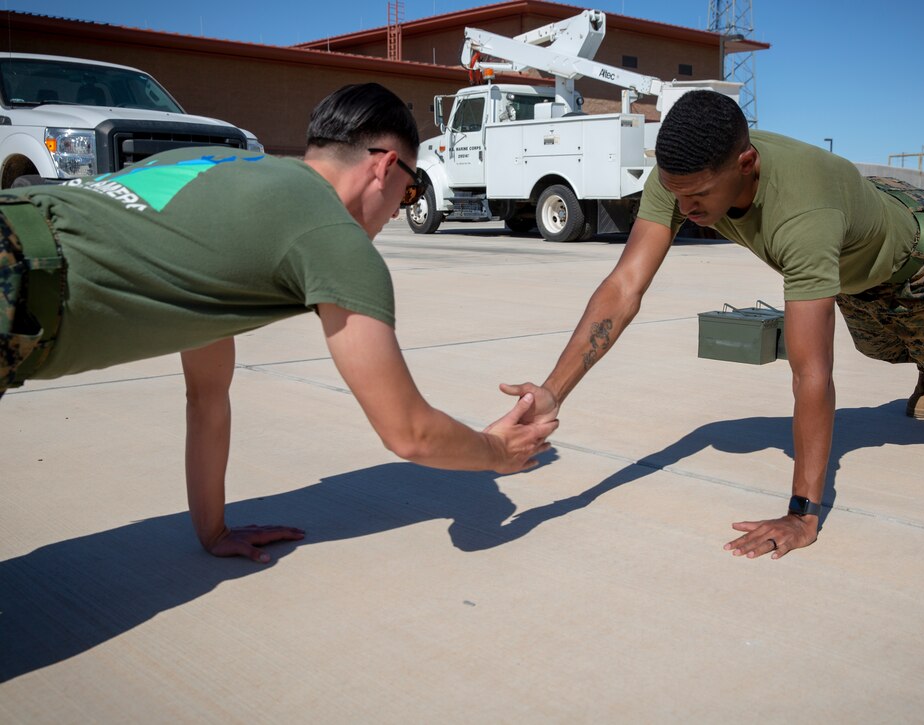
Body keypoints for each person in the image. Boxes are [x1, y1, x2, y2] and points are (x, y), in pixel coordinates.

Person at [0, 83, 557, 563]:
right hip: (17, 280)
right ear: (385, 165)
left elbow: (207, 394)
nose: (399, 210)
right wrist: (494, 453)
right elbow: (409, 433)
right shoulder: (332, 237)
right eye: (409, 190)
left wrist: (213, 530)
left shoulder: (218, 170)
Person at [501, 90, 924, 560]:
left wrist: (803, 514)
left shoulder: (802, 218)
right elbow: (624, 288)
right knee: (881, 348)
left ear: (747, 164)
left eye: (698, 197)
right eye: (676, 194)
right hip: (857, 257)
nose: (684, 210)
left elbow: (812, 375)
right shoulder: (685, 172)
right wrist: (553, 393)